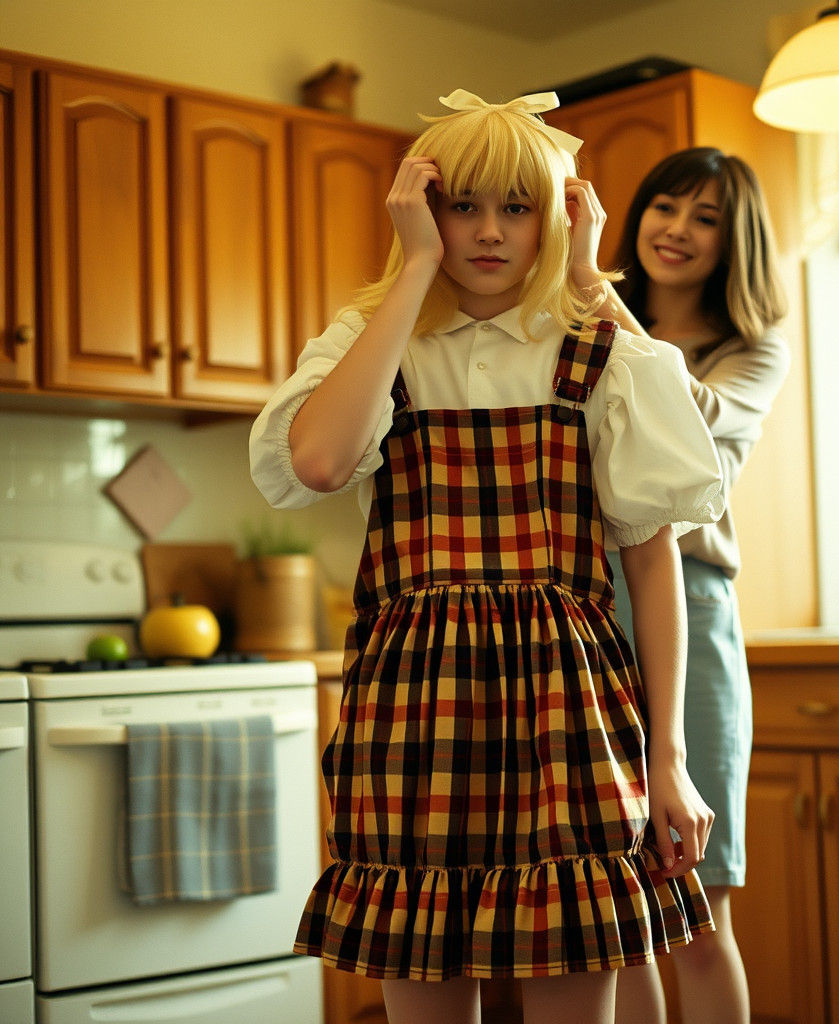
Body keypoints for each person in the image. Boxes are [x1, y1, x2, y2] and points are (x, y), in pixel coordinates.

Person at [249, 91, 727, 1024]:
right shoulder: (374, 346)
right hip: (410, 715)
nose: (490, 233)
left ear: (556, 217)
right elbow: (316, 460)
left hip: (570, 713)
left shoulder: (602, 356)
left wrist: (667, 759)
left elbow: (652, 561)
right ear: (420, 210)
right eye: (461, 206)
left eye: (518, 207)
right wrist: (413, 270)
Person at [565, 147, 790, 1024]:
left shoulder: (749, 354)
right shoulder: (576, 321)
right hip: (580, 609)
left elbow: (682, 406)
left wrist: (590, 285)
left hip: (688, 607)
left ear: (734, 243)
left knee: (694, 906)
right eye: (667, 207)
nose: (679, 230)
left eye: (706, 218)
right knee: (615, 914)